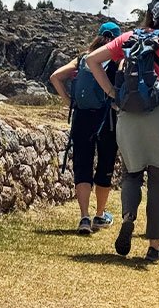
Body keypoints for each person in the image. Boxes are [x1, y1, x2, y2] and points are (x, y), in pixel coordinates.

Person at [84, 0, 159, 262]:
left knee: (131, 173)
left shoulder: (129, 37)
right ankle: (154, 245)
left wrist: (112, 92)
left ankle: (127, 217)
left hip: (129, 111)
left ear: (148, 16)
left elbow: (92, 61)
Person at [49, 21, 122, 234]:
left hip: (81, 117)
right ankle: (100, 215)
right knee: (105, 164)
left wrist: (68, 101)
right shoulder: (116, 58)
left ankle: (83, 217)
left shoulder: (82, 58)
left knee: (83, 165)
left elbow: (55, 77)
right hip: (107, 118)